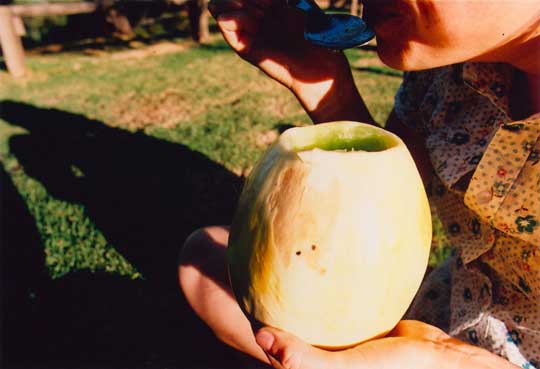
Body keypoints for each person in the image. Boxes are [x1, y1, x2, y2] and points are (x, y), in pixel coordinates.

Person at [178, 0, 540, 368]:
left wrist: (438, 360)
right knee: (201, 263)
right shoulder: (441, 79)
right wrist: (328, 90)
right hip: (448, 306)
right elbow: (387, 200)